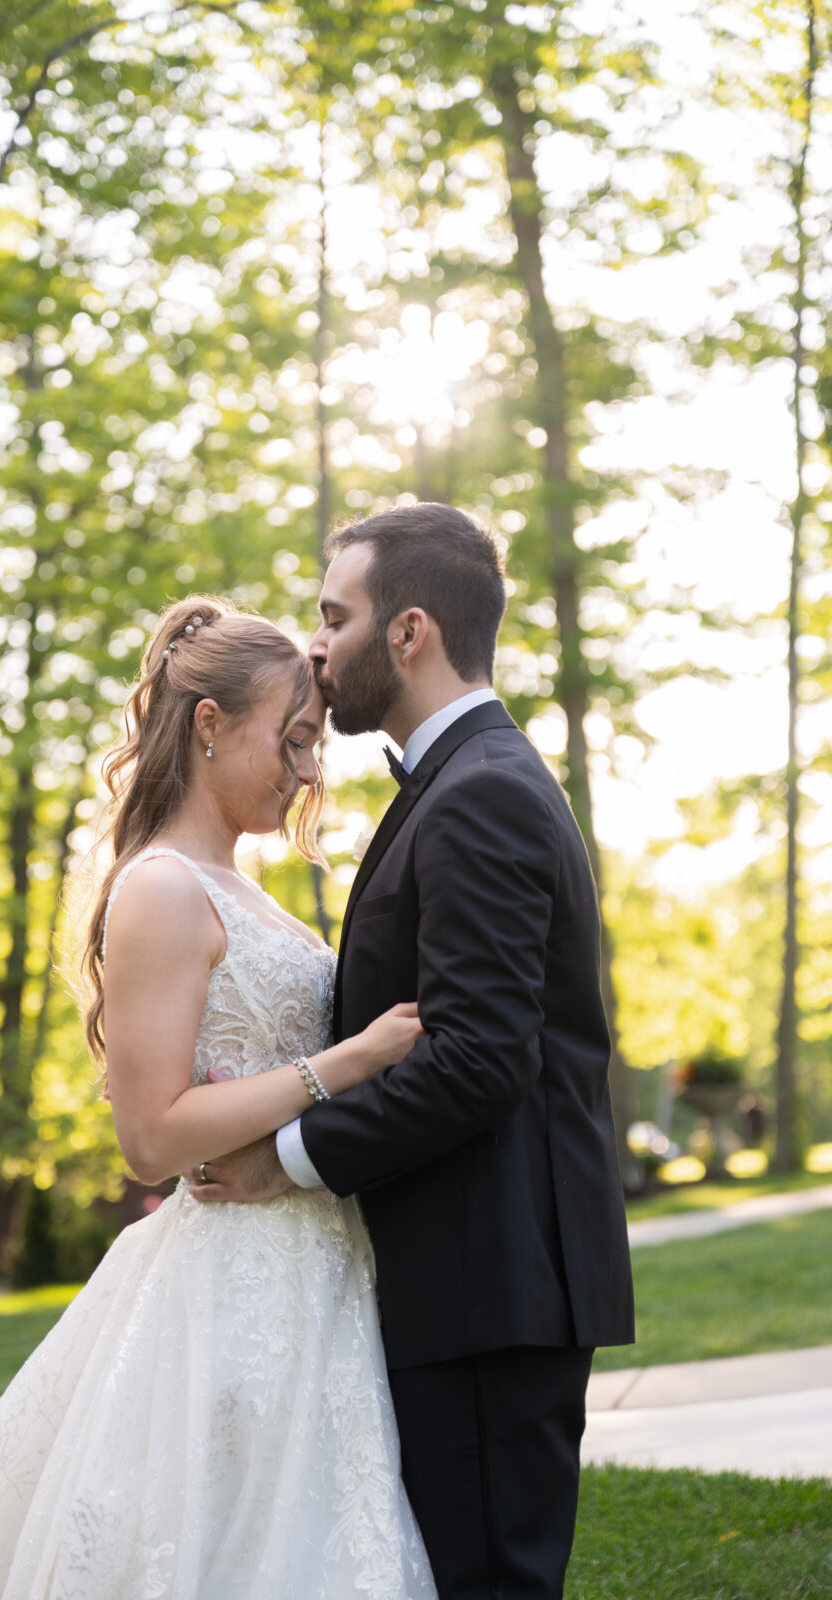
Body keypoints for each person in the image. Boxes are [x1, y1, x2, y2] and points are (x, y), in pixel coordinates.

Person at [0, 596, 437, 1600]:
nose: (307, 770)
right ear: (209, 725)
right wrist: (344, 1063)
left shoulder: (245, 885)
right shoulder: (162, 888)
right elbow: (150, 1134)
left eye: (314, 746)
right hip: (236, 1276)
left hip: (319, 1262)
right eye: (292, 741)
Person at [191, 505, 636, 1600]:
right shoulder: (461, 780)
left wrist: (283, 1155)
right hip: (472, 1274)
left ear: (409, 632)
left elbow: (482, 1058)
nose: (314, 647)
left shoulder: (478, 793)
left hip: (489, 1279)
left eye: (333, 617)